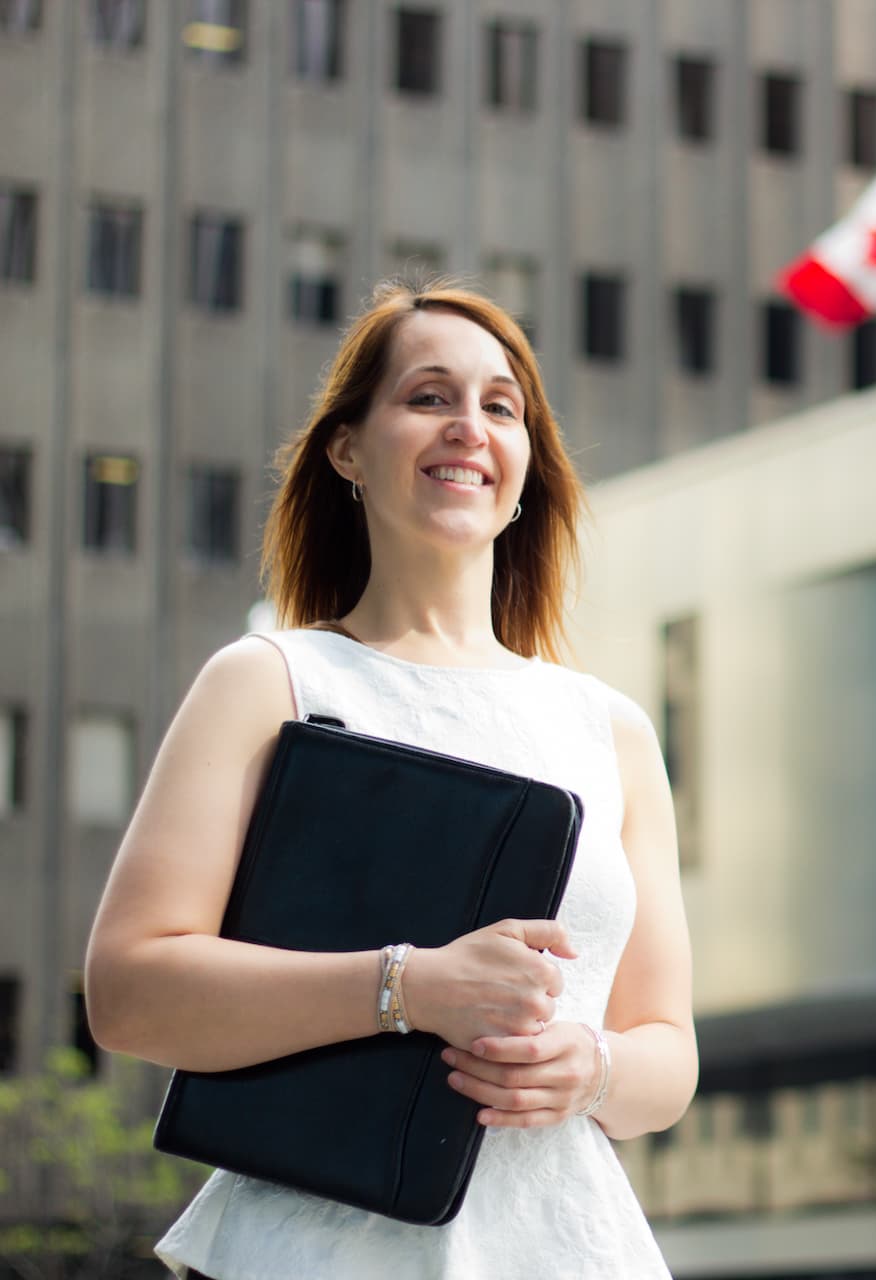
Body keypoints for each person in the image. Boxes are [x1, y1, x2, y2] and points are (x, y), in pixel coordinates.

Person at [84, 279, 695, 1279]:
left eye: (501, 406)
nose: (469, 426)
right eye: (428, 396)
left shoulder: (612, 729)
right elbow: (128, 991)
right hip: (315, 1246)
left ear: (528, 462)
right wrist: (409, 985)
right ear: (348, 449)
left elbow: (667, 1050)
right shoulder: (271, 680)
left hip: (563, 1244)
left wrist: (596, 1066)